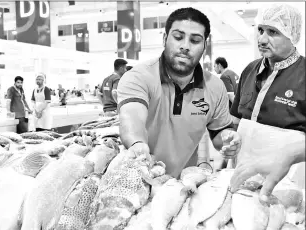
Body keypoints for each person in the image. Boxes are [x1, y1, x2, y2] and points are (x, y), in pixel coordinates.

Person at [117, 7, 241, 178]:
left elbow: (219, 132)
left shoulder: (214, 86)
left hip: (184, 182)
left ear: (204, 45)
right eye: (178, 37)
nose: (185, 46)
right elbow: (131, 116)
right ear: (165, 38)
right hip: (139, 176)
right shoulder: (139, 77)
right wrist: (137, 142)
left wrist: (229, 139)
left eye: (195, 40)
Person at [230, 4, 305, 202]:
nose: (262, 39)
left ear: (292, 34)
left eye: (273, 32)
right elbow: (235, 121)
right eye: (261, 30)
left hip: (286, 184)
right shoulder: (249, 70)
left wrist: (290, 154)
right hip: (243, 178)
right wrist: (228, 141)